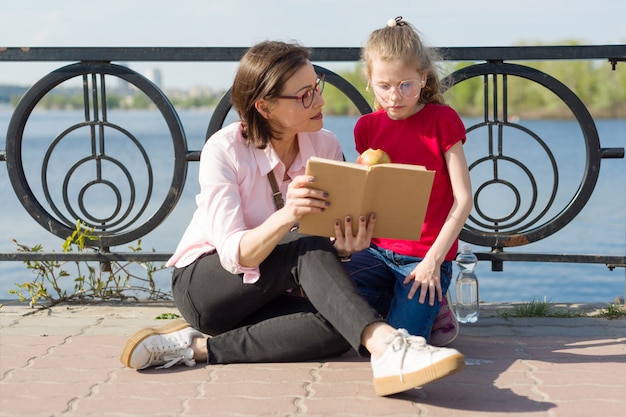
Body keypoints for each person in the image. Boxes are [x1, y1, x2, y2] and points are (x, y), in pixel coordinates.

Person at [120, 40, 465, 397]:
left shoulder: (325, 146)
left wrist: (345, 247)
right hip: (208, 286)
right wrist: (288, 214)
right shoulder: (224, 151)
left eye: (316, 88)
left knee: (341, 323)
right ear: (265, 106)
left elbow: (325, 244)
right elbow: (235, 254)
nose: (319, 102)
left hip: (271, 290)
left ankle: (196, 348)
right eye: (304, 96)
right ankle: (389, 345)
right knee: (309, 250)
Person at [343, 17, 473, 347]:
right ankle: (410, 303)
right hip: (376, 254)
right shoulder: (366, 128)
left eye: (406, 85)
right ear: (370, 82)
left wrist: (433, 262)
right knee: (331, 308)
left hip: (425, 258)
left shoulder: (441, 122)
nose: (395, 96)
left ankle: (431, 301)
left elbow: (463, 200)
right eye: (385, 86)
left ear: (423, 78)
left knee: (400, 344)